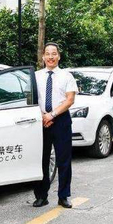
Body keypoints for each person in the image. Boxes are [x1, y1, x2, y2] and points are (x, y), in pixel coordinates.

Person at [33, 43, 77, 209]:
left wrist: (52, 115)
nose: (50, 57)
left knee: (63, 159)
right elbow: (32, 99)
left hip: (61, 120)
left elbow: (70, 100)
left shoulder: (67, 76)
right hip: (41, 120)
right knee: (41, 159)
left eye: (54, 54)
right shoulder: (36, 76)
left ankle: (63, 196)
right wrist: (42, 115)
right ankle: (41, 196)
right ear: (43, 57)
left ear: (59, 56)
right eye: (47, 54)